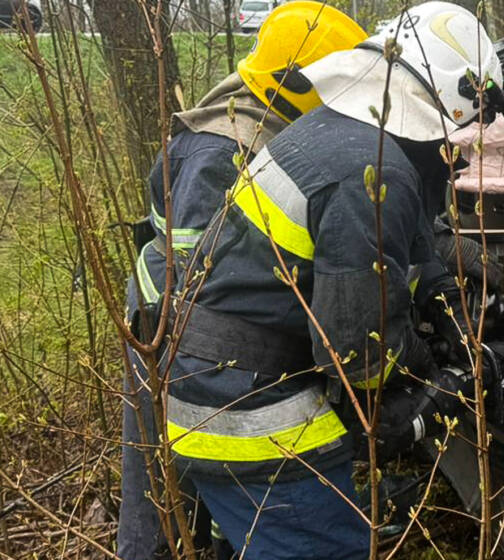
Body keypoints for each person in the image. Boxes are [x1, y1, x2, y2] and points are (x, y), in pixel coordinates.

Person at [162, 3, 504, 557]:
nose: (464, 145)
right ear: (451, 101)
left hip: (211, 392)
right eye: (471, 123)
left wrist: (445, 299)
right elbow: (361, 355)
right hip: (255, 417)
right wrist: (437, 388)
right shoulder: (370, 172)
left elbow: (388, 252)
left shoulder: (343, 136)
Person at [118, 5, 367, 559]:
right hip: (168, 333)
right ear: (299, 84)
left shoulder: (250, 123)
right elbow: (207, 279)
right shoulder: (225, 148)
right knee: (161, 495)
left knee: (206, 486)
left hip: (181, 332)